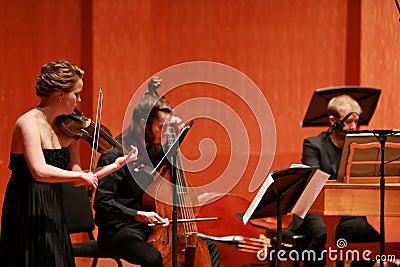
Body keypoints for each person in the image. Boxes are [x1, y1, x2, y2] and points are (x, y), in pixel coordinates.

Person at [0, 60, 138, 267]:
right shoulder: (27, 123)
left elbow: (77, 178)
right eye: (77, 94)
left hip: (53, 205)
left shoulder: (67, 129)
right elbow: (39, 171)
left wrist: (116, 165)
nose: (79, 100)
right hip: (27, 204)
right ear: (60, 94)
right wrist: (81, 176)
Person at [93, 93, 220, 267]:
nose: (165, 133)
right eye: (161, 127)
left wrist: (175, 136)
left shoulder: (154, 150)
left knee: (209, 248)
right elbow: (102, 204)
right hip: (119, 229)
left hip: (150, 227)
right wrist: (138, 215)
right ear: (144, 124)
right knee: (152, 257)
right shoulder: (115, 155)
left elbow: (173, 167)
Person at [289, 94, 380, 267]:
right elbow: (314, 181)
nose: (354, 127)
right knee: (322, 234)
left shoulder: (359, 146)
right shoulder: (313, 144)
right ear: (333, 120)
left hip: (347, 211)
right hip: (315, 211)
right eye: (348, 122)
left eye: (356, 122)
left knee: (374, 242)